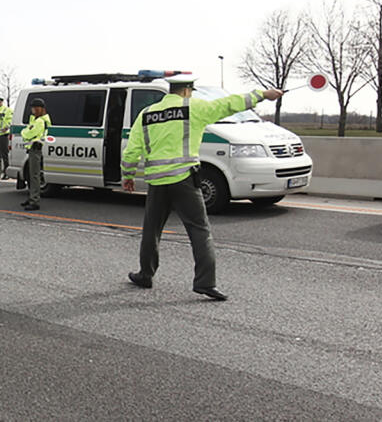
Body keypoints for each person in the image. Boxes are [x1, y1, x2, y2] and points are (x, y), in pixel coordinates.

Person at [121, 75, 284, 301]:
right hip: (185, 180)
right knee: (199, 231)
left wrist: (127, 175)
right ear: (187, 91)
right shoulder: (192, 108)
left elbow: (132, 149)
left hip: (157, 181)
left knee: (151, 230)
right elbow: (229, 104)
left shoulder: (147, 113)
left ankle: (145, 274)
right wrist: (263, 95)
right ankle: (205, 283)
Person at [19, 97, 50, 211]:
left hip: (35, 150)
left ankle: (34, 200)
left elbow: (28, 133)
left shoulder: (40, 122)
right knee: (32, 176)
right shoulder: (37, 120)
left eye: (34, 108)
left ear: (39, 109)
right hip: (34, 149)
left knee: (35, 176)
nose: (32, 110)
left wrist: (24, 132)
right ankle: (31, 197)